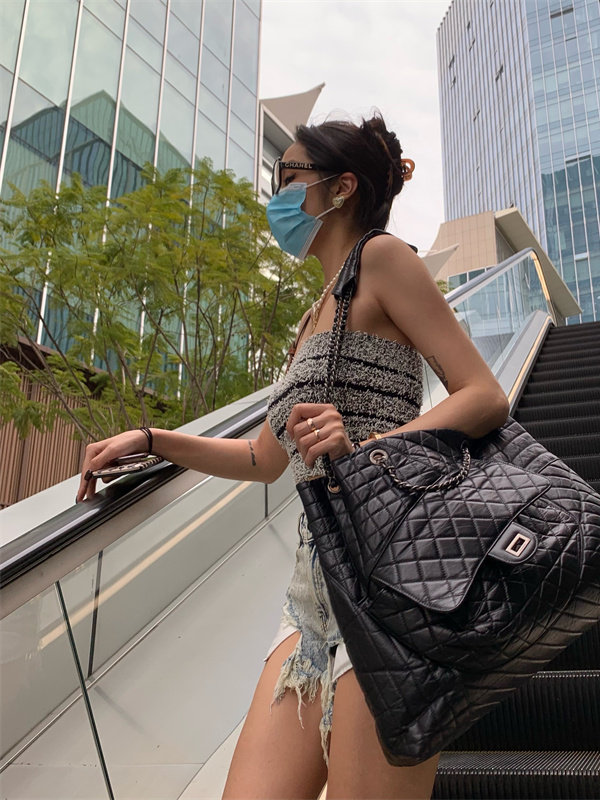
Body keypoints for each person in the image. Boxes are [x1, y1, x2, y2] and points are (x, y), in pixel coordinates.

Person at [76, 113, 509, 799]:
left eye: (288, 177)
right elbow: (263, 459)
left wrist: (368, 449)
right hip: (310, 593)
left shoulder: (384, 259)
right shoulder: (314, 314)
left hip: (393, 584)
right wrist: (153, 440)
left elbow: (484, 394)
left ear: (340, 188)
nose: (275, 194)